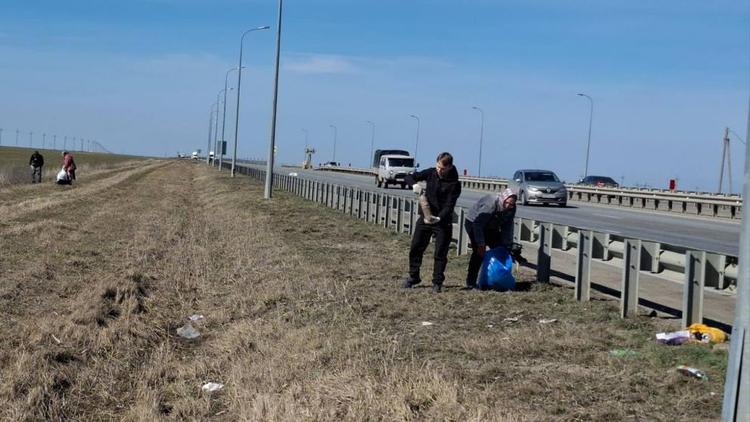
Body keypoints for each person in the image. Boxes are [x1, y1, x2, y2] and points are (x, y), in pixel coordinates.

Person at [402, 152, 462, 293]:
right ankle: (413, 276)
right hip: (425, 217)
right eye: (437, 167)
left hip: (442, 221)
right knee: (416, 247)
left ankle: (437, 282)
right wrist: (414, 185)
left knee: (440, 253)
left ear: (449, 167)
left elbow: (449, 205)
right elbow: (409, 176)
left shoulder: (455, 184)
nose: (439, 171)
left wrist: (440, 218)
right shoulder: (431, 173)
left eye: (442, 168)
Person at [463, 188, 517, 289]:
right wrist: (481, 244)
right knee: (478, 253)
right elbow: (478, 225)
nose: (509, 206)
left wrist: (507, 244)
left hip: (491, 227)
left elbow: (507, 226)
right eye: (508, 203)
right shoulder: (491, 203)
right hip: (473, 223)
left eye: (512, 204)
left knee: (500, 248)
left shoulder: (512, 208)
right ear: (503, 199)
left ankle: (498, 278)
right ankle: (471, 281)